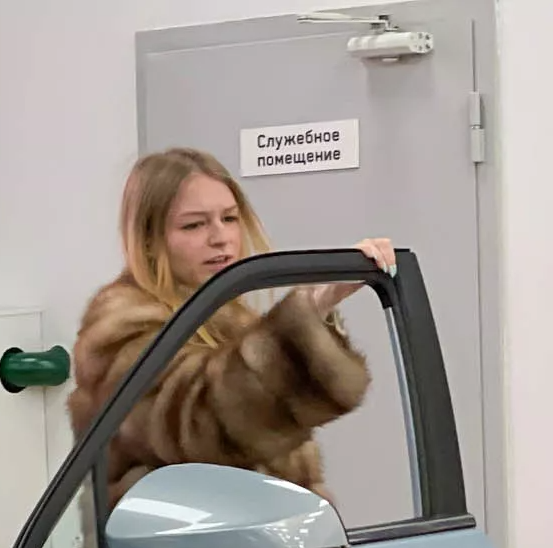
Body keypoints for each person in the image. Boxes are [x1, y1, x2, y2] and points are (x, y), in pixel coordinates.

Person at [70, 147, 394, 507]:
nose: (220, 237)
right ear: (149, 239)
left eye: (229, 218)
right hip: (189, 542)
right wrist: (307, 312)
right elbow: (199, 423)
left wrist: (316, 311)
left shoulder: (231, 317)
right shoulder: (121, 323)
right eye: (194, 225)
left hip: (265, 536)